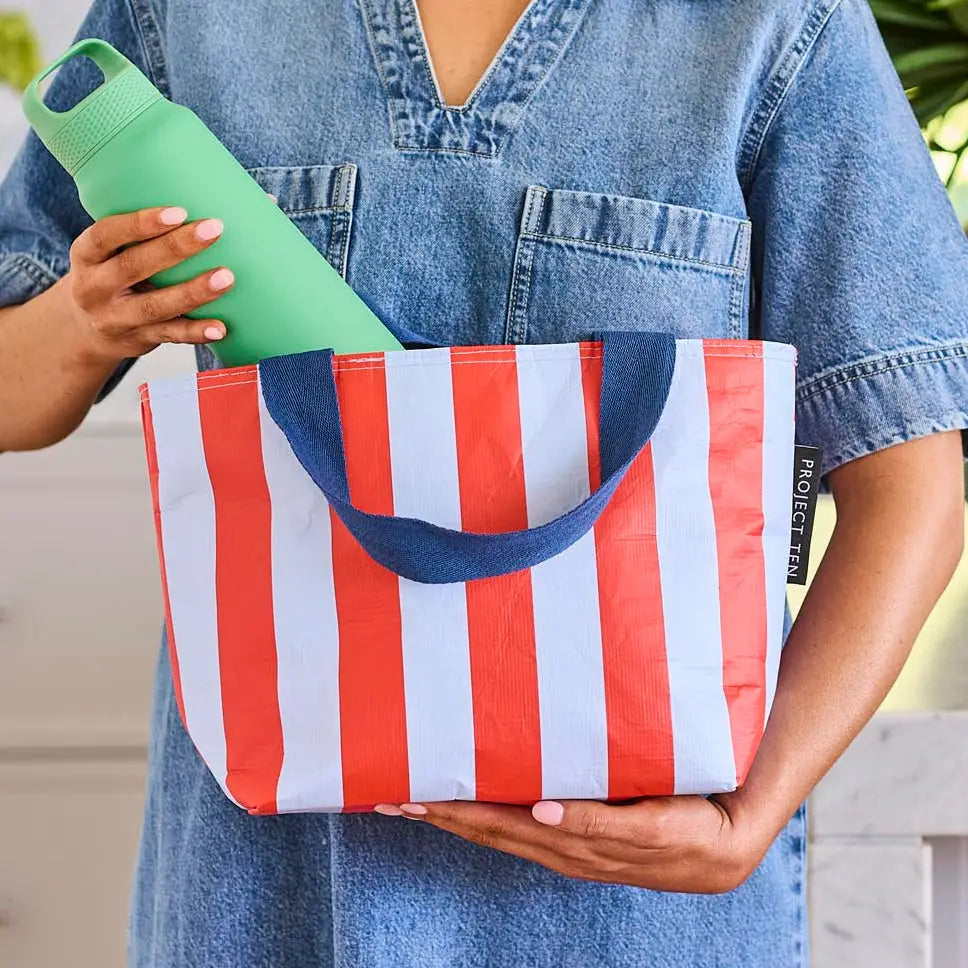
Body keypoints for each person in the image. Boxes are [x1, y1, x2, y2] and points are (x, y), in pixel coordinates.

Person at [1, 0, 966, 965]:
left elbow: (911, 477)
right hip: (266, 896)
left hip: (628, 907)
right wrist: (88, 321)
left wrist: (754, 811)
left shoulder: (774, 23)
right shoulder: (190, 18)